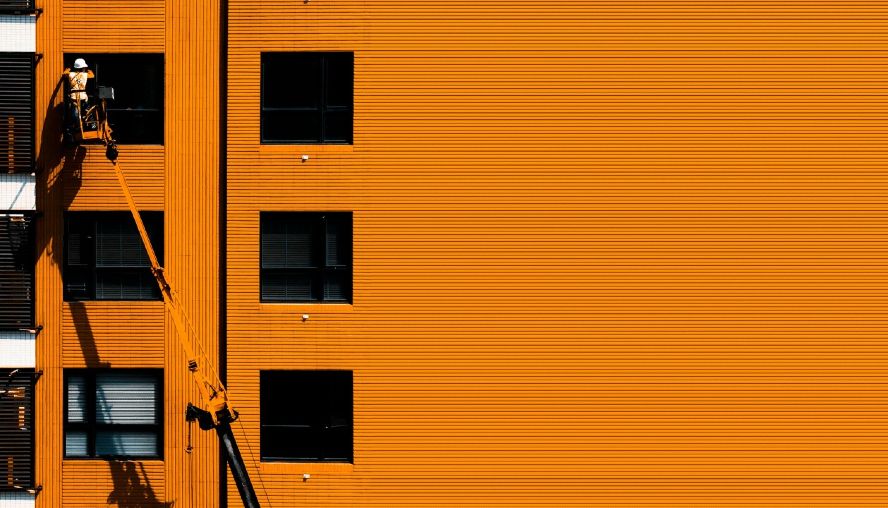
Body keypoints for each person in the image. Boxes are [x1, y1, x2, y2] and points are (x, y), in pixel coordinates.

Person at [64, 58, 94, 142]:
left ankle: (73, 128)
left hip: (74, 97)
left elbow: (64, 74)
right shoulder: (85, 74)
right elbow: (92, 75)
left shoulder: (70, 74)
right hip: (83, 96)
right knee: (88, 110)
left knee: (73, 115)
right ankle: (91, 124)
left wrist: (68, 69)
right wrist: (88, 69)